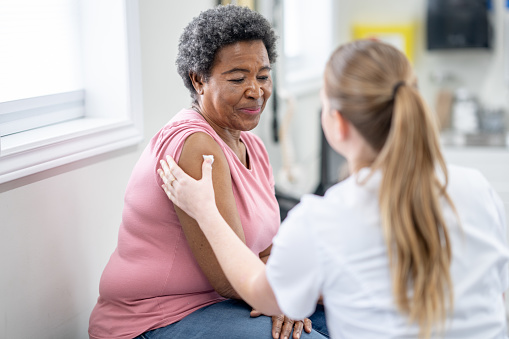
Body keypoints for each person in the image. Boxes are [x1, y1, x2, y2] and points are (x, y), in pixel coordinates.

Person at [158, 39, 509, 339]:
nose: (256, 89)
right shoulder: (477, 187)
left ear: (336, 123)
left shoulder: (323, 219)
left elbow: (261, 293)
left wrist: (205, 210)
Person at [88, 4, 328, 339]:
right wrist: (295, 294)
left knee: (346, 316)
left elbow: (264, 251)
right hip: (157, 316)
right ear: (199, 79)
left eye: (263, 76)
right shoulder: (196, 145)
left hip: (229, 301)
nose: (256, 91)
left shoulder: (253, 147)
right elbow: (229, 278)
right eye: (237, 78)